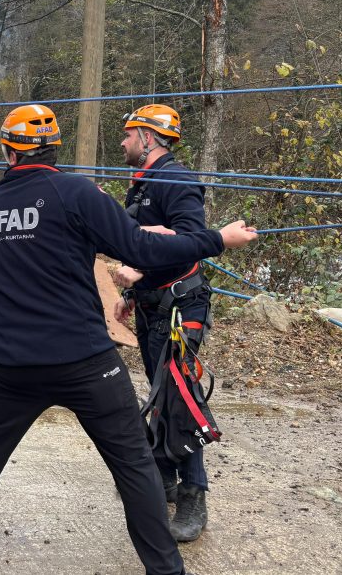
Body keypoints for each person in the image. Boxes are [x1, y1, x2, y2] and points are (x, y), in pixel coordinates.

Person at [0, 104, 257, 575]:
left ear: (8, 151)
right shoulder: (76, 193)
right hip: (82, 358)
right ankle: (166, 569)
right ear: (55, 147)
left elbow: (53, 244)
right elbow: (140, 248)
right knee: (133, 464)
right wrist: (218, 239)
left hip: (14, 359)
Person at [112, 104, 212, 542]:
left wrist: (138, 268)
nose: (123, 142)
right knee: (158, 393)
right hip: (155, 305)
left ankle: (194, 494)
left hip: (180, 308)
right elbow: (144, 244)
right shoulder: (141, 186)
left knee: (179, 399)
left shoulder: (178, 180)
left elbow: (192, 240)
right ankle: (164, 478)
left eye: (129, 135)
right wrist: (135, 291)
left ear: (149, 138)